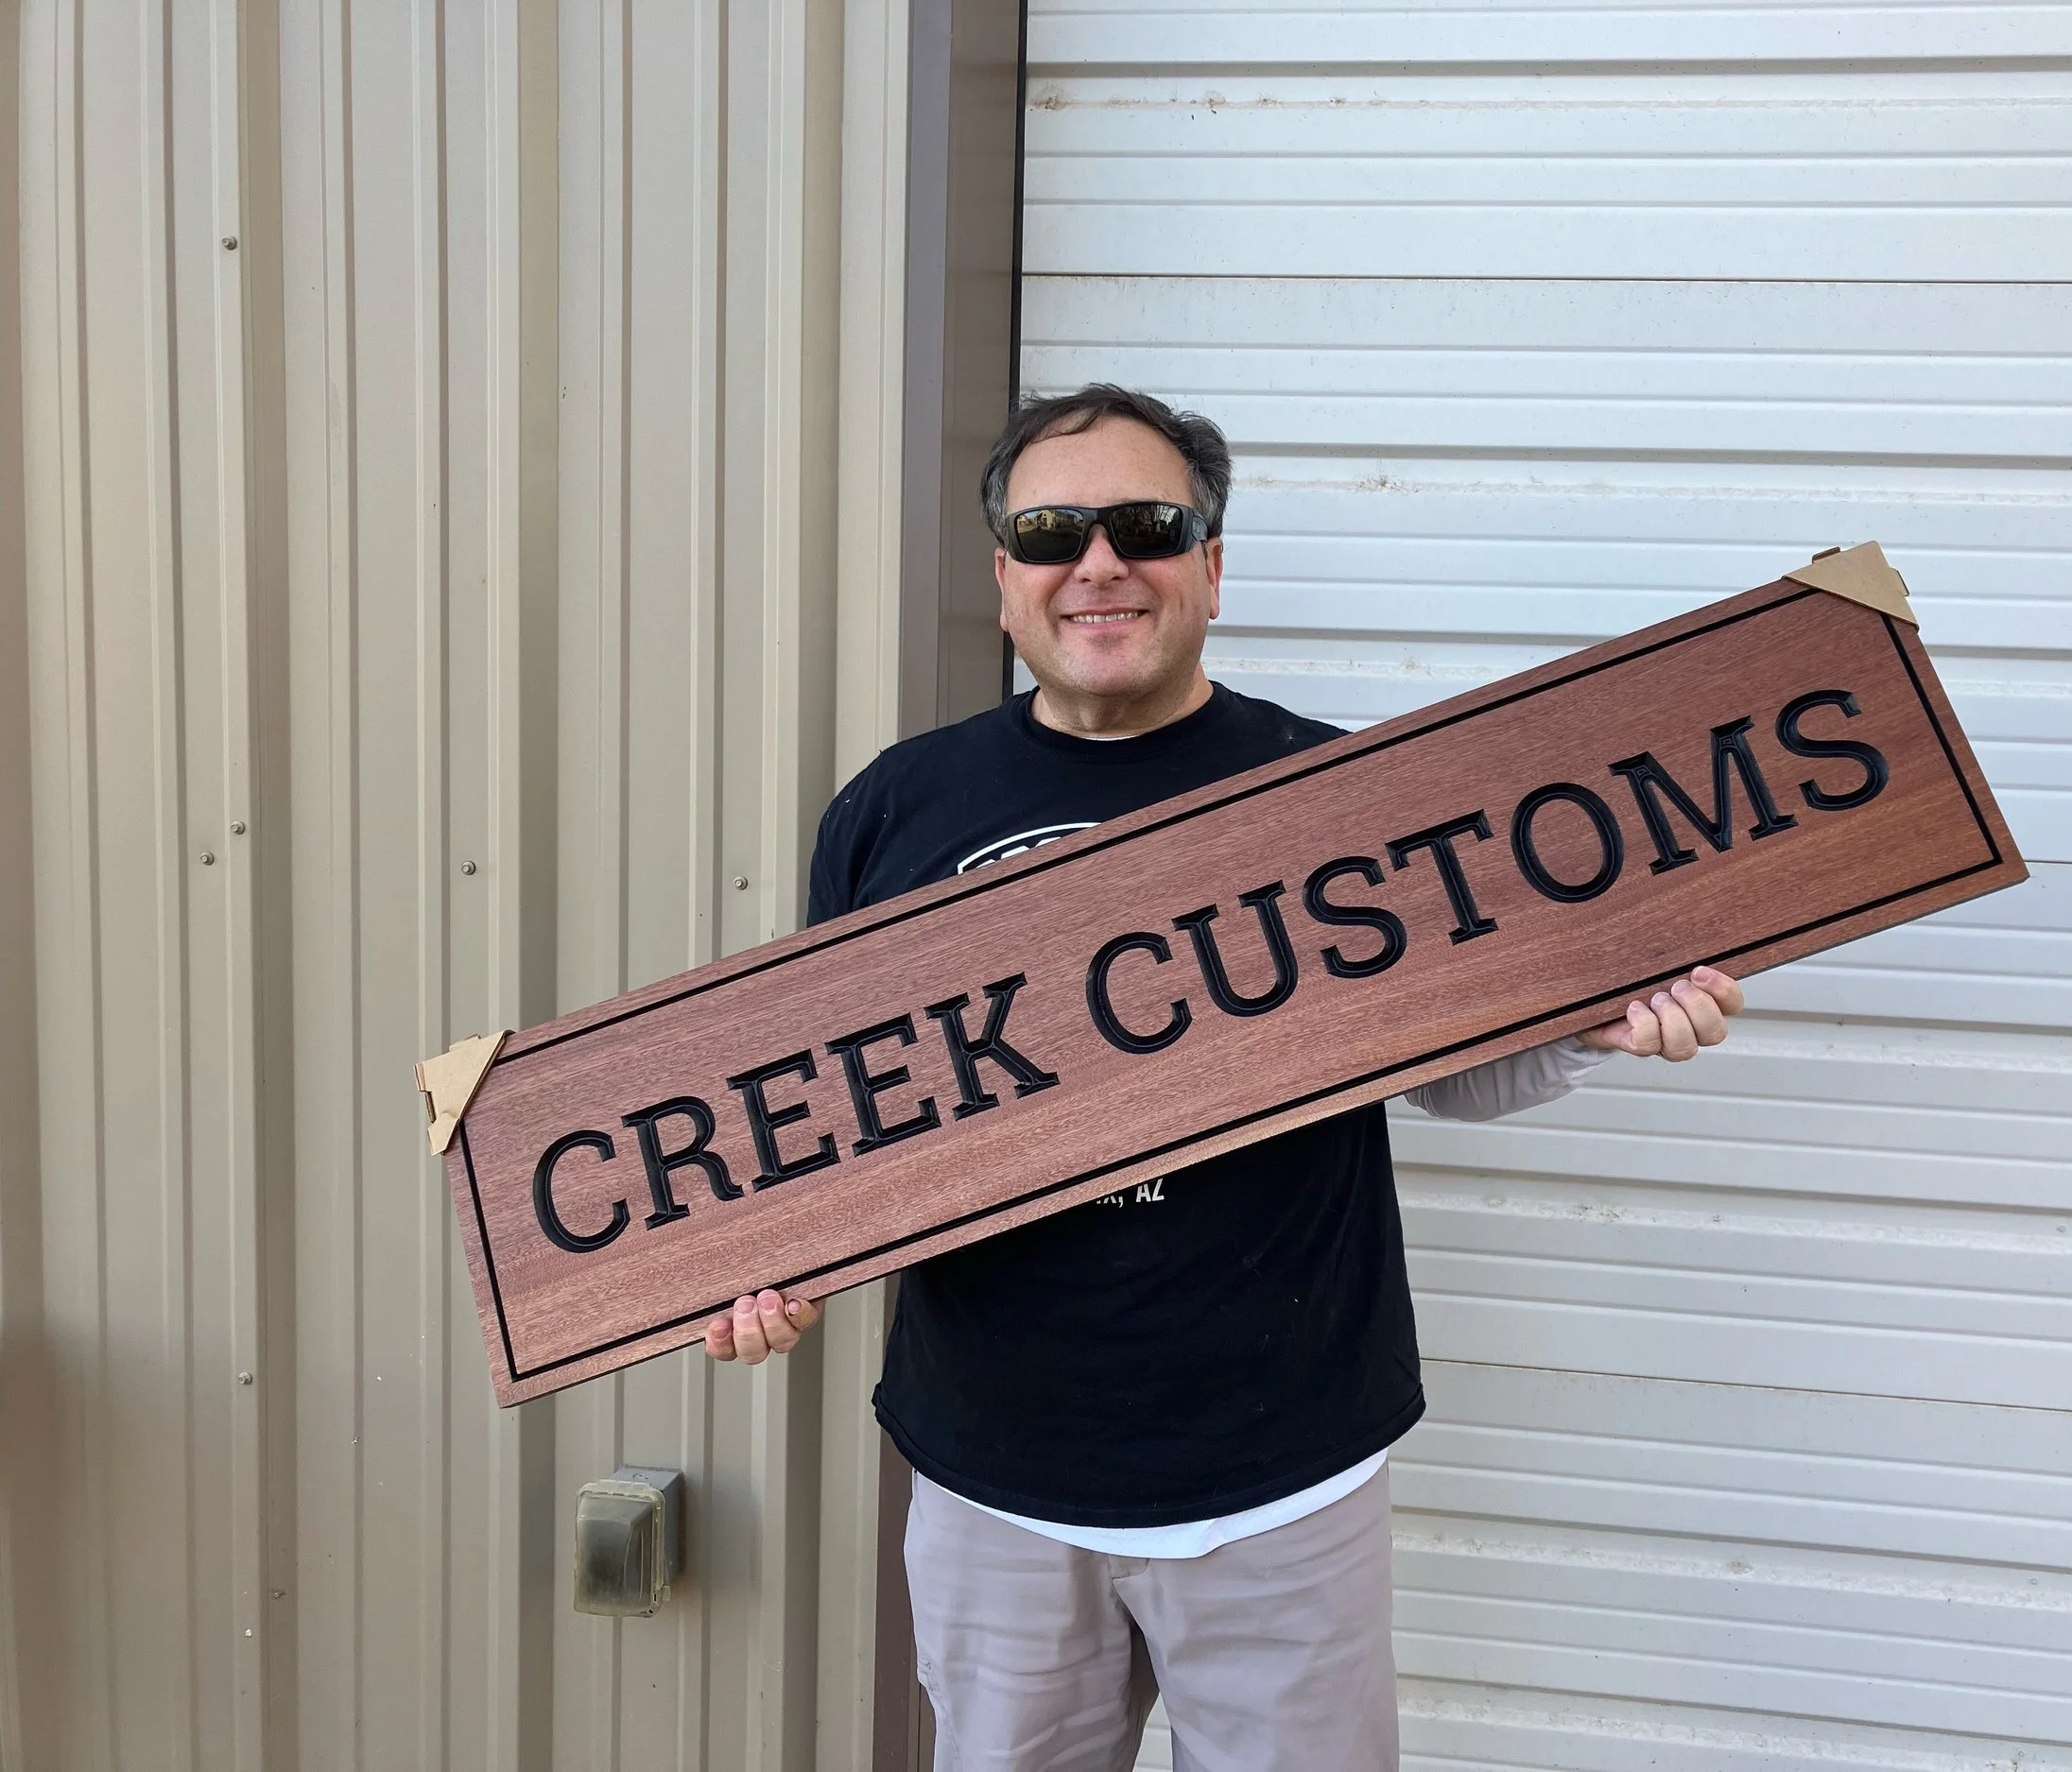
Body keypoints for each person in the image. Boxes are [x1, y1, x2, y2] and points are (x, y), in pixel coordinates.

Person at [705, 386, 1743, 1772]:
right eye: (1052, 534)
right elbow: (836, 1124)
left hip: (1285, 1486)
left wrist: (1590, 1023)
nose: (1098, 564)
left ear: (1209, 565)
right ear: (1004, 577)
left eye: (1145, 526)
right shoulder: (894, 809)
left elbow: (1452, 1077)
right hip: (994, 1481)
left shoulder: (1339, 793)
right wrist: (771, 1261)